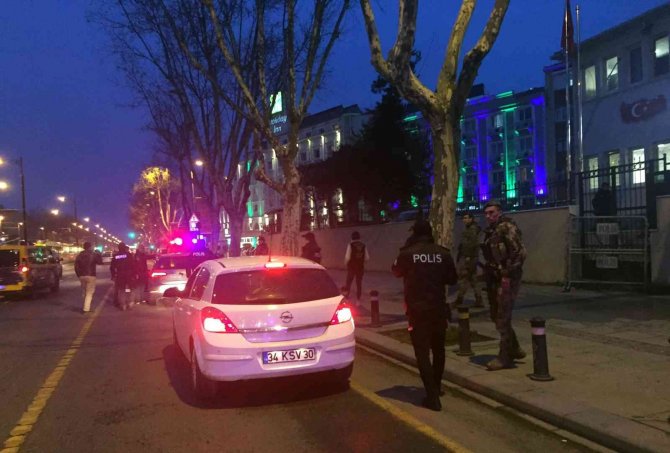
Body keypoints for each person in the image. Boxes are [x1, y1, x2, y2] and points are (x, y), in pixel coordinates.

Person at [392, 219, 457, 411]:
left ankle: (432, 397)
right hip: (438, 308)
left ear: (414, 233)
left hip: (417, 310)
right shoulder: (443, 253)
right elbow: (452, 278)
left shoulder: (407, 254)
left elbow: (396, 271)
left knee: (422, 353)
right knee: (439, 350)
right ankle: (436, 388)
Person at [481, 200, 527, 371]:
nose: (488, 216)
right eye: (486, 213)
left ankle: (504, 357)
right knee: (496, 314)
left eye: (491, 212)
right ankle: (514, 347)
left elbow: (520, 253)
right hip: (494, 277)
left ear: (499, 212)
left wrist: (507, 272)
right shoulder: (490, 231)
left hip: (507, 278)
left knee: (502, 316)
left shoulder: (507, 227)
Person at [454, 213, 483, 308]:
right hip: (470, 257)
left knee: (464, 277)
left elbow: (471, 244)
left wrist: (467, 256)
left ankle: (460, 298)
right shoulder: (470, 229)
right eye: (464, 218)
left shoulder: (471, 230)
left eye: (466, 218)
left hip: (468, 257)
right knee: (472, 278)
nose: (464, 220)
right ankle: (478, 299)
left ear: (471, 219)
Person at [74, 242, 101, 313]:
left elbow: (76, 266)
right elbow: (100, 262)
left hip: (82, 276)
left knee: (84, 292)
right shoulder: (93, 254)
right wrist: (99, 254)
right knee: (89, 293)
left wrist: (79, 275)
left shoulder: (79, 255)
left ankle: (85, 305)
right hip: (91, 275)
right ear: (90, 247)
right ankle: (86, 309)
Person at [343, 231, 369, 304]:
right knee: (359, 283)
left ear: (352, 237)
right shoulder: (363, 245)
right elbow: (367, 258)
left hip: (351, 267)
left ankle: (346, 298)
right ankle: (358, 300)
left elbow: (347, 257)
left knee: (348, 283)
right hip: (360, 267)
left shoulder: (350, 245)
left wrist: (345, 263)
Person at [110, 242, 137, 311]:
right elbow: (133, 265)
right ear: (125, 247)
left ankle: (123, 304)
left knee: (121, 290)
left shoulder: (116, 256)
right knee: (130, 289)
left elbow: (112, 267)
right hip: (129, 275)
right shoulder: (129, 255)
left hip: (120, 275)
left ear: (118, 248)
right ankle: (130, 302)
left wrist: (113, 275)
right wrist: (134, 274)